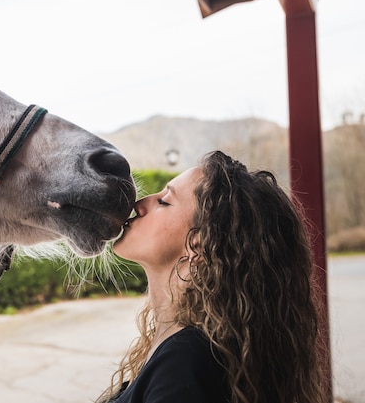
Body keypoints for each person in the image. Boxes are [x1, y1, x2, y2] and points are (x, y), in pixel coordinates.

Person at [97, 151, 326, 403]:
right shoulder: (183, 351)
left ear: (199, 244)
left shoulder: (183, 364)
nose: (139, 205)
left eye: (164, 201)